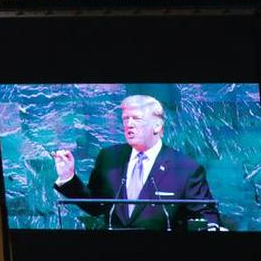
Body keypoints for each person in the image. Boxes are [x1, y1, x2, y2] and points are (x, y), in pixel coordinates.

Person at [52, 94, 221, 231]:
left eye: (136, 118)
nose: (129, 125)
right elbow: (96, 205)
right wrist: (68, 178)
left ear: (157, 126)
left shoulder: (185, 168)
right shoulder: (109, 157)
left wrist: (211, 227)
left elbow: (205, 214)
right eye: (125, 119)